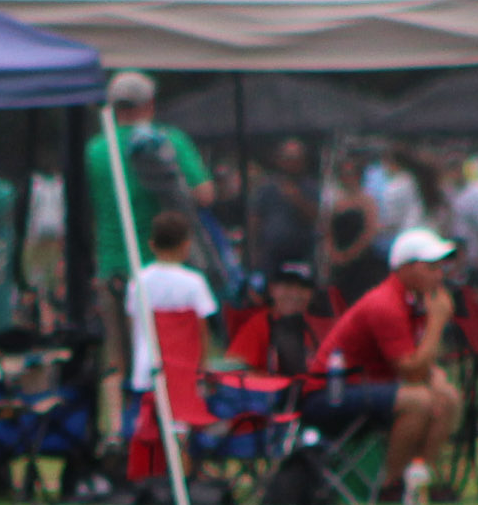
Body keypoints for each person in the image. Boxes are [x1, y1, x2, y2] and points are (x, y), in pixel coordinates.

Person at [84, 72, 212, 444]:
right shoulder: (167, 142)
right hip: (162, 270)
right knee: (170, 358)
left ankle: (120, 435)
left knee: (120, 360)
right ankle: (173, 433)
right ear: (150, 105)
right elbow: (204, 194)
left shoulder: (97, 150)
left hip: (113, 267)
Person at [307, 227, 464, 505]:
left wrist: (435, 376)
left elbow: (419, 362)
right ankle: (391, 486)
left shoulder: (414, 301)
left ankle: (419, 480)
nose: (439, 275)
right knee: (419, 401)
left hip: (372, 388)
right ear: (405, 268)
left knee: (449, 397)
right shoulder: (386, 303)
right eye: (430, 267)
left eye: (440, 267)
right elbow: (411, 371)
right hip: (330, 395)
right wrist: (437, 322)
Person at [127, 212, 220, 391]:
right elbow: (202, 329)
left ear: (152, 245)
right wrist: (203, 365)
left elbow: (134, 325)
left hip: (147, 371)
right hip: (183, 372)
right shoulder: (195, 282)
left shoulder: (137, 282)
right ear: (186, 246)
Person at [225, 261, 318, 378]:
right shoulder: (259, 325)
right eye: (288, 286)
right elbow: (233, 372)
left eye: (302, 288)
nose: (295, 295)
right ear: (272, 289)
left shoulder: (318, 325)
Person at [248, 138, 320, 280]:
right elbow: (255, 219)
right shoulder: (266, 187)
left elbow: (315, 217)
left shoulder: (310, 187)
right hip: (271, 256)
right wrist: (253, 249)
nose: (291, 163)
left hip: (301, 254)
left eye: (296, 159)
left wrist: (296, 198)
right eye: (287, 158)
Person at [323, 154, 383, 306]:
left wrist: (351, 254)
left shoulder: (367, 201)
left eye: (351, 174)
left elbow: (369, 231)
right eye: (344, 174)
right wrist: (333, 253)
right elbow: (328, 230)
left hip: (361, 259)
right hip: (338, 258)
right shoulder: (336, 201)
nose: (347, 178)